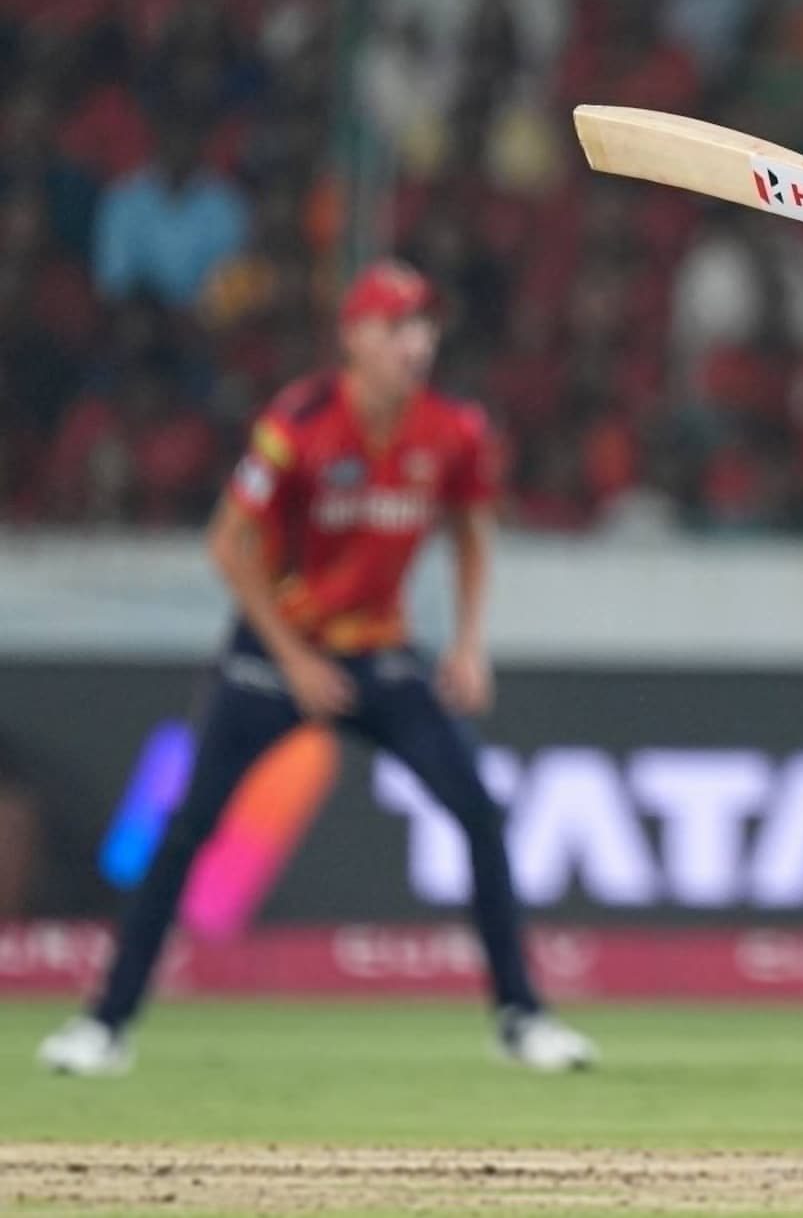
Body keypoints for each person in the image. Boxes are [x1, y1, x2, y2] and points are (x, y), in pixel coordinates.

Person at [37, 261, 594, 1077]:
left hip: (377, 653)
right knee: (187, 830)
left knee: (479, 812)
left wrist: (469, 643)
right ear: (354, 338)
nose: (417, 344)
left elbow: (472, 528)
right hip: (274, 657)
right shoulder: (297, 425)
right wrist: (294, 658)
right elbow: (228, 544)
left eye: (424, 327)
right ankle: (105, 1025)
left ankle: (522, 1017)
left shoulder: (454, 430)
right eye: (397, 328)